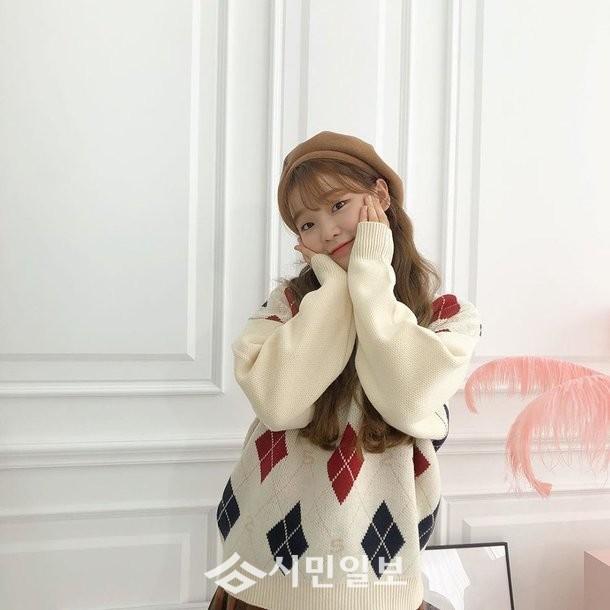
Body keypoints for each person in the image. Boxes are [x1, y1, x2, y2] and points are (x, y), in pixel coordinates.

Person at [208, 131, 482, 610]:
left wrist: (369, 280)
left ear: (380, 195)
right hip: (263, 578)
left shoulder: (446, 315)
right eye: (307, 223)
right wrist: (335, 291)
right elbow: (278, 403)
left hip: (376, 579)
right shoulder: (286, 307)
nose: (328, 230)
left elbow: (407, 400)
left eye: (338, 205)